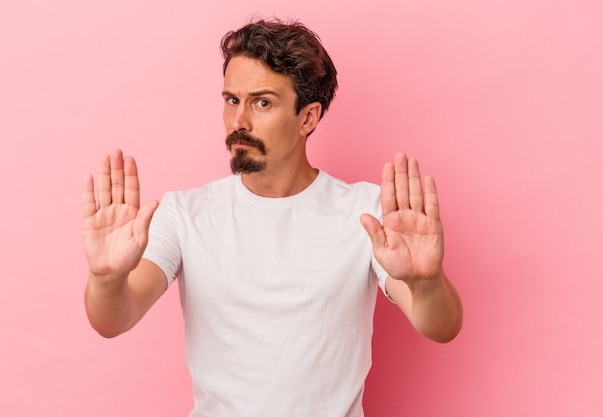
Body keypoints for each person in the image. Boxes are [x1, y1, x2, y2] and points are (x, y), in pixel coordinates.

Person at [82, 19, 463, 417]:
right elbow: (114, 319)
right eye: (232, 100)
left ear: (308, 119)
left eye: (262, 102)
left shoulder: (366, 213)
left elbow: (440, 325)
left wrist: (427, 281)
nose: (239, 122)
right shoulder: (183, 215)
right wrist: (106, 279)